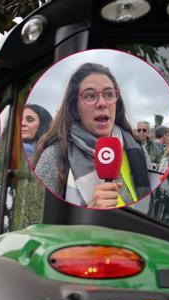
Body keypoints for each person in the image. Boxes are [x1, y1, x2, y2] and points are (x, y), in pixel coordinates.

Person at [32, 63, 152, 208]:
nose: (102, 103)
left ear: (117, 103)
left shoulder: (137, 149)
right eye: (90, 96)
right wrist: (88, 213)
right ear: (74, 108)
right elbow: (34, 218)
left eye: (109, 94)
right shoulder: (54, 156)